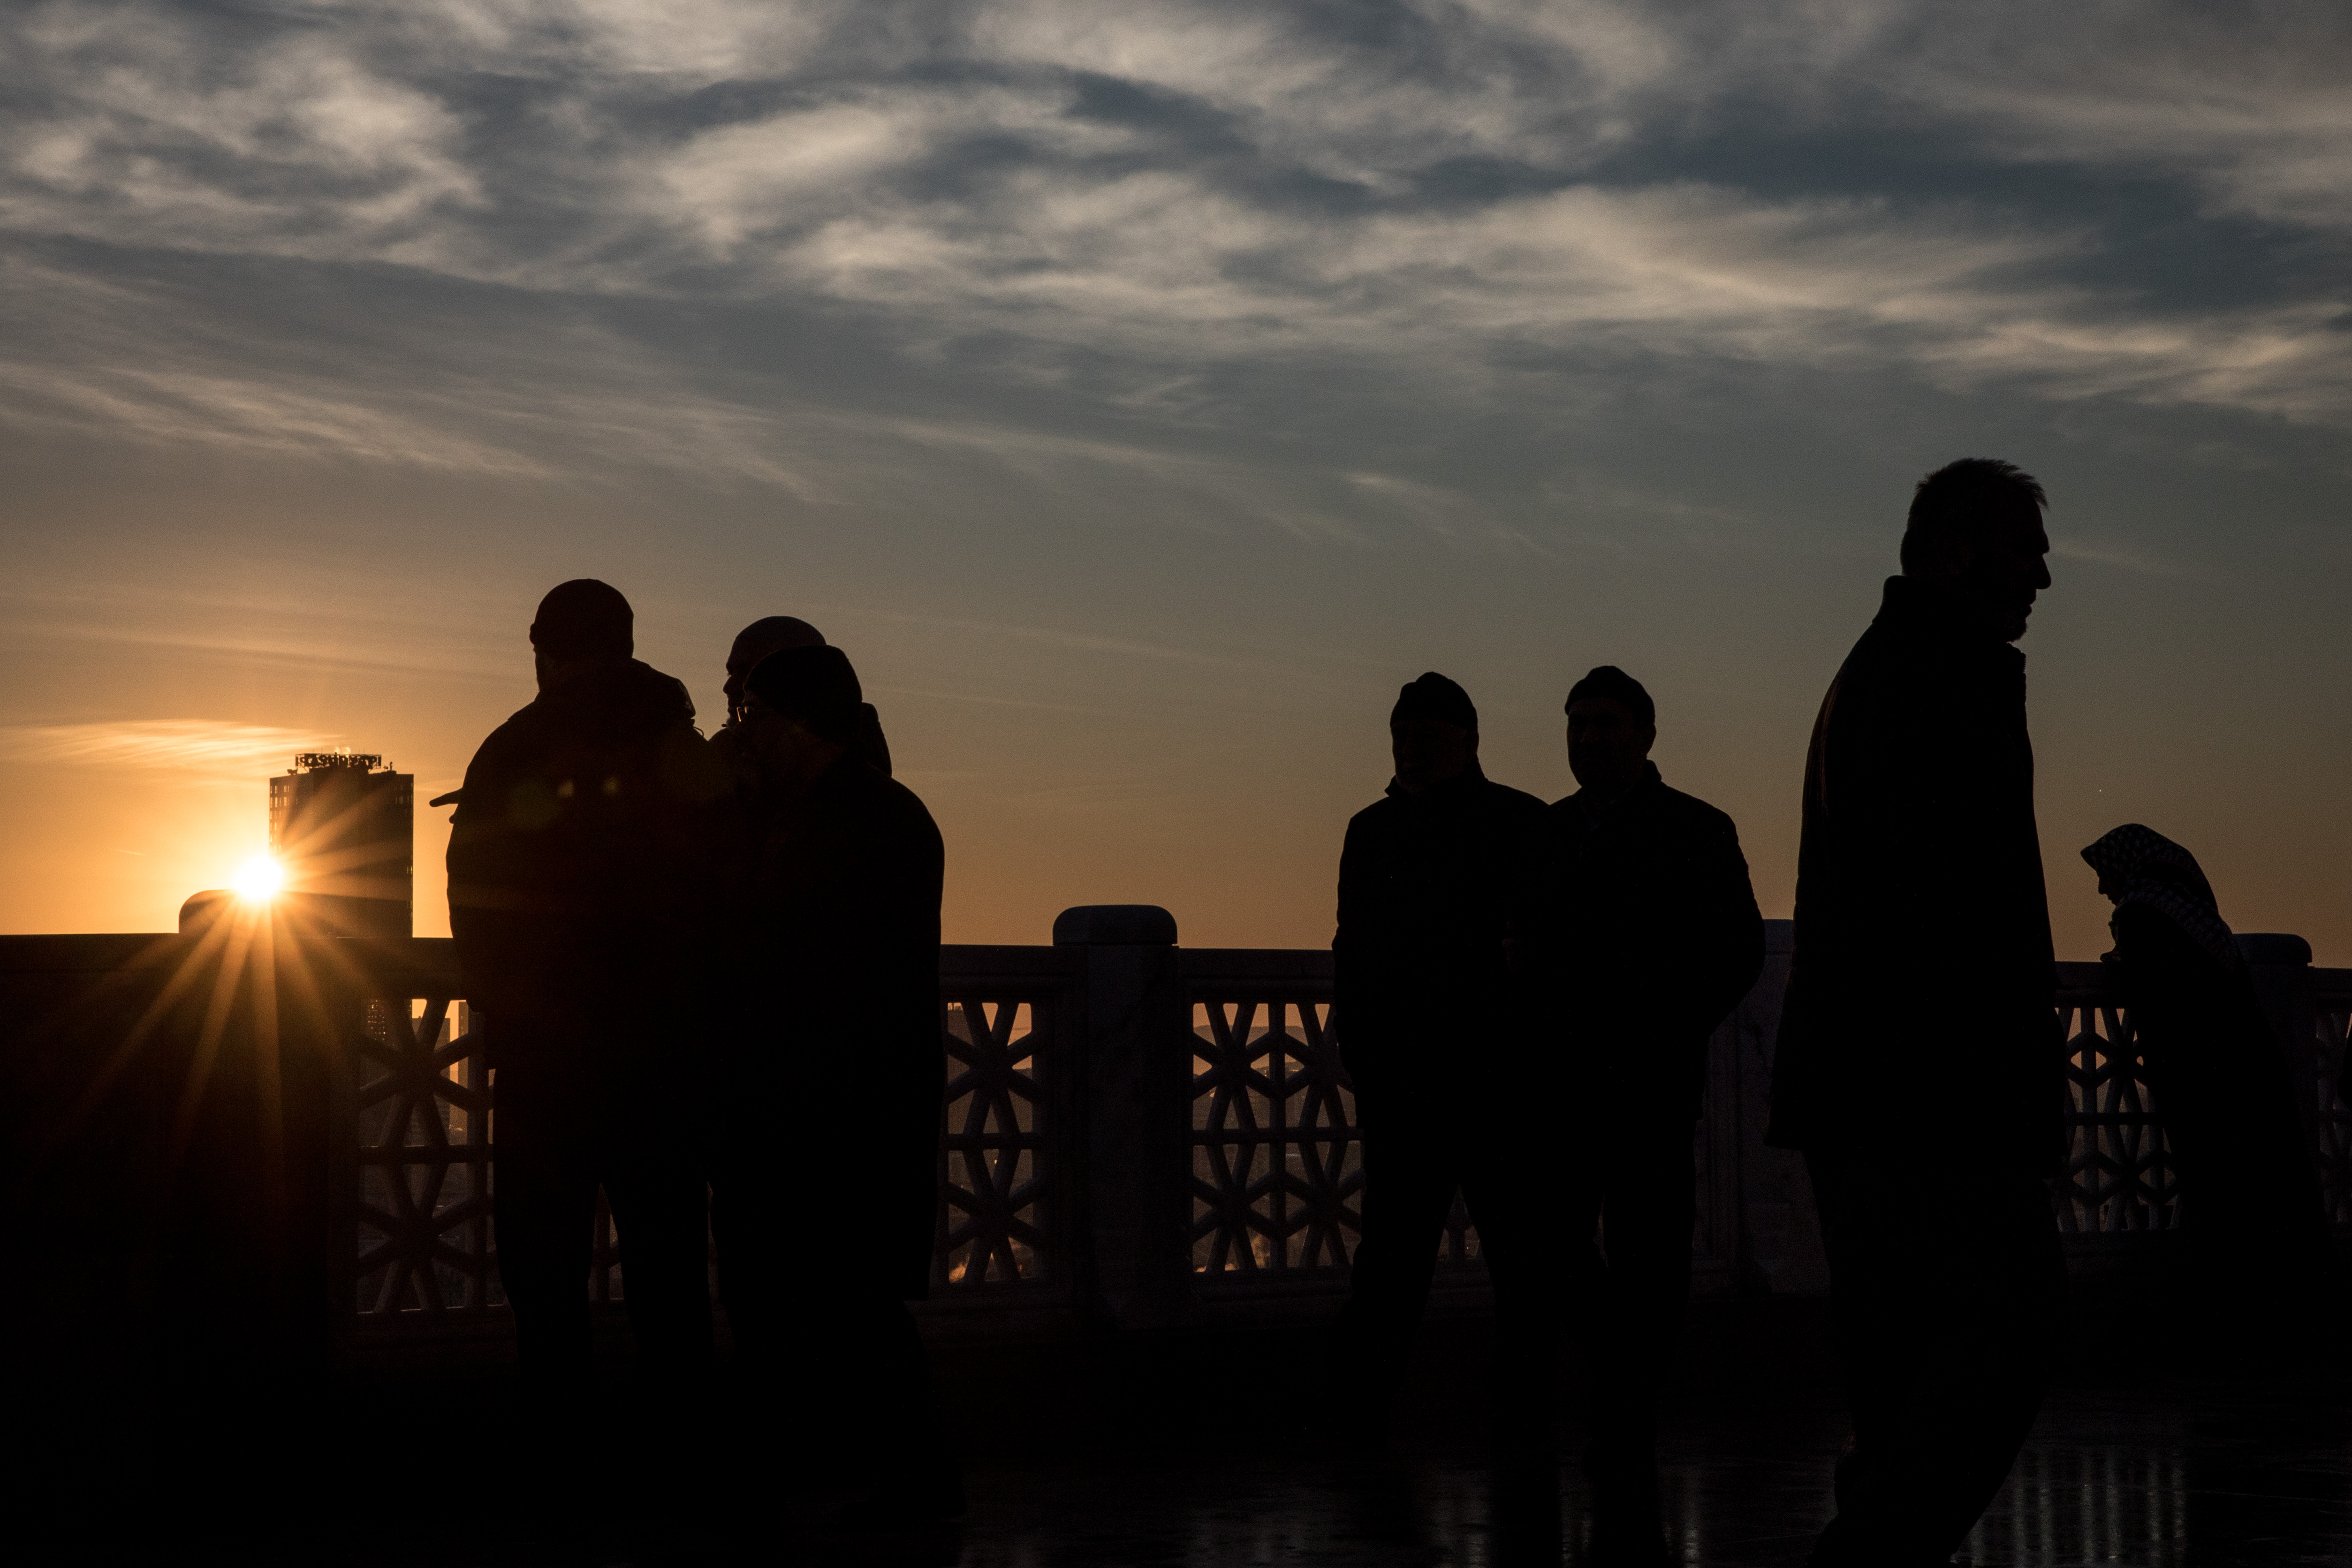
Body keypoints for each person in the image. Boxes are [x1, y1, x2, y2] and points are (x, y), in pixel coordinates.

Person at [1768, 459, 2070, 1565]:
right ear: (1955, 548)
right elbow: (1947, 908)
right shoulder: (1932, 679)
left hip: (1877, 1085)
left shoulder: (1902, 670)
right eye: (2024, 545)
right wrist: (2008, 1085)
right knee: (2009, 1328)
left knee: (1902, 1373)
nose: (2044, 571)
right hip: (1926, 1091)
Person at [445, 580, 731, 1393]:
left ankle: (565, 1453)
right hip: (671, 1059)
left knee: (543, 1272)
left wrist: (512, 1004)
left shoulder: (513, 749)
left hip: (550, 1063)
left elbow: (477, 902)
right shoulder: (684, 749)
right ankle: (686, 1448)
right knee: (670, 1266)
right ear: (628, 641)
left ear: (542, 647)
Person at [709, 644, 960, 1518]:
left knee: (841, 1299)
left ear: (800, 724)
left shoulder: (861, 824)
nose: (743, 733)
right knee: (822, 1299)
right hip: (816, 1100)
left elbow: (806, 959)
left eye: (754, 718)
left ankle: (901, 1473)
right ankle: (871, 1470)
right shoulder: (859, 814)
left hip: (830, 1103)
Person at [1551, 665, 1762, 1561]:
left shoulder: (1695, 830)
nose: (1586, 736)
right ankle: (1622, 1385)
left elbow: (1739, 947)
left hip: (1648, 1076)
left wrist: (1668, 1015)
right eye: (1576, 722)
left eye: (1603, 721)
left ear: (1643, 732)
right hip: (1558, 1081)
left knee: (1651, 1253)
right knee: (1551, 1238)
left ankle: (1624, 1406)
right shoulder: (1547, 833)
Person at [1330, 671, 1560, 1438]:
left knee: (1519, 1256)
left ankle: (1522, 1398)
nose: (1412, 750)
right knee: (1393, 1258)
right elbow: (1352, 950)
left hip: (1498, 1080)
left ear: (1466, 741)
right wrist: (1360, 1051)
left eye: (1426, 737)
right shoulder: (1369, 830)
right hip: (1404, 1082)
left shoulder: (1519, 823)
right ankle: (1362, 1401)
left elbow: (1549, 950)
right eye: (1403, 737)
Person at [2082, 824, 2331, 1333]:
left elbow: (2156, 989)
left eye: (2105, 875)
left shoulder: (2143, 912)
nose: (2103, 888)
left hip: (2206, 1084)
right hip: (2247, 1073)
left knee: (2228, 1195)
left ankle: (2245, 1312)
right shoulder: (2189, 914)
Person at [717, 615, 894, 774]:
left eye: (747, 671)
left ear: (800, 676)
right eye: (731, 673)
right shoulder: (721, 754)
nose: (728, 687)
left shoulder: (861, 793)